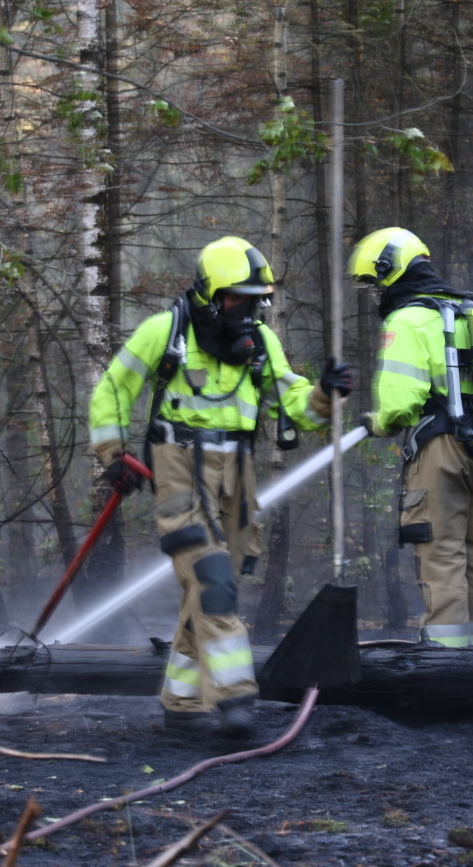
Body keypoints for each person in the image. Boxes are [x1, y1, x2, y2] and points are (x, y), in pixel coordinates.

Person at [89, 236, 353, 735]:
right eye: (239, 299)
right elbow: (112, 389)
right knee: (212, 579)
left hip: (238, 476)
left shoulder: (261, 344)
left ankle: (182, 701)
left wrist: (324, 393)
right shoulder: (164, 332)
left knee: (212, 588)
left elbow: (296, 405)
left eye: (257, 301)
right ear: (211, 296)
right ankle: (236, 697)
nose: (249, 310)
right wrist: (113, 454)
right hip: (179, 467)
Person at [348, 227, 473, 648]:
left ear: (390, 270)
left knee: (441, 555)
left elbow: (399, 406)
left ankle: (446, 663)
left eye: (375, 283)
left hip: (438, 451)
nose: (377, 293)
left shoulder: (407, 319)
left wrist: (377, 423)